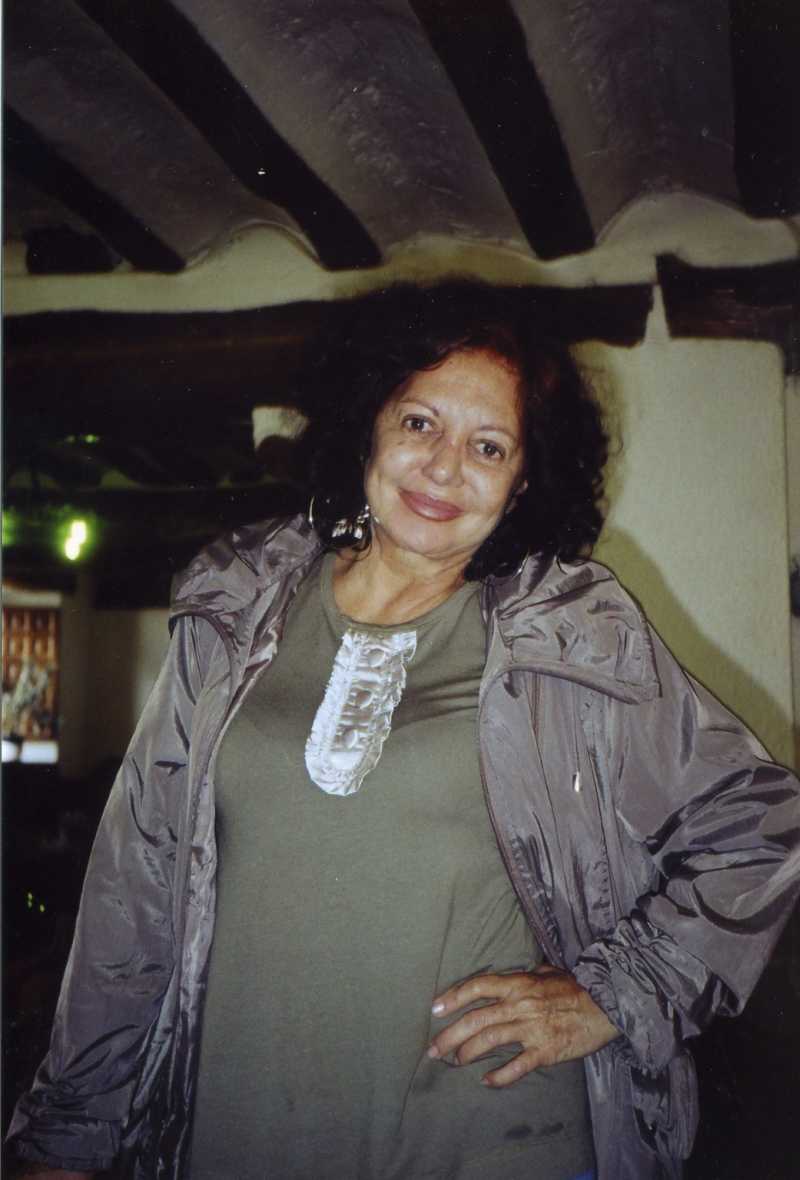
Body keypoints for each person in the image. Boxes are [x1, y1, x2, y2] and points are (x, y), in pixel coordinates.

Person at [8, 281, 800, 1180]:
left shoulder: (571, 633)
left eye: (488, 445)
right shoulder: (237, 606)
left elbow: (760, 825)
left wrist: (611, 995)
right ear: (368, 428)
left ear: (523, 479)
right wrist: (68, 1131)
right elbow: (136, 884)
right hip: (243, 1129)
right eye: (420, 423)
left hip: (490, 1143)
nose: (444, 467)